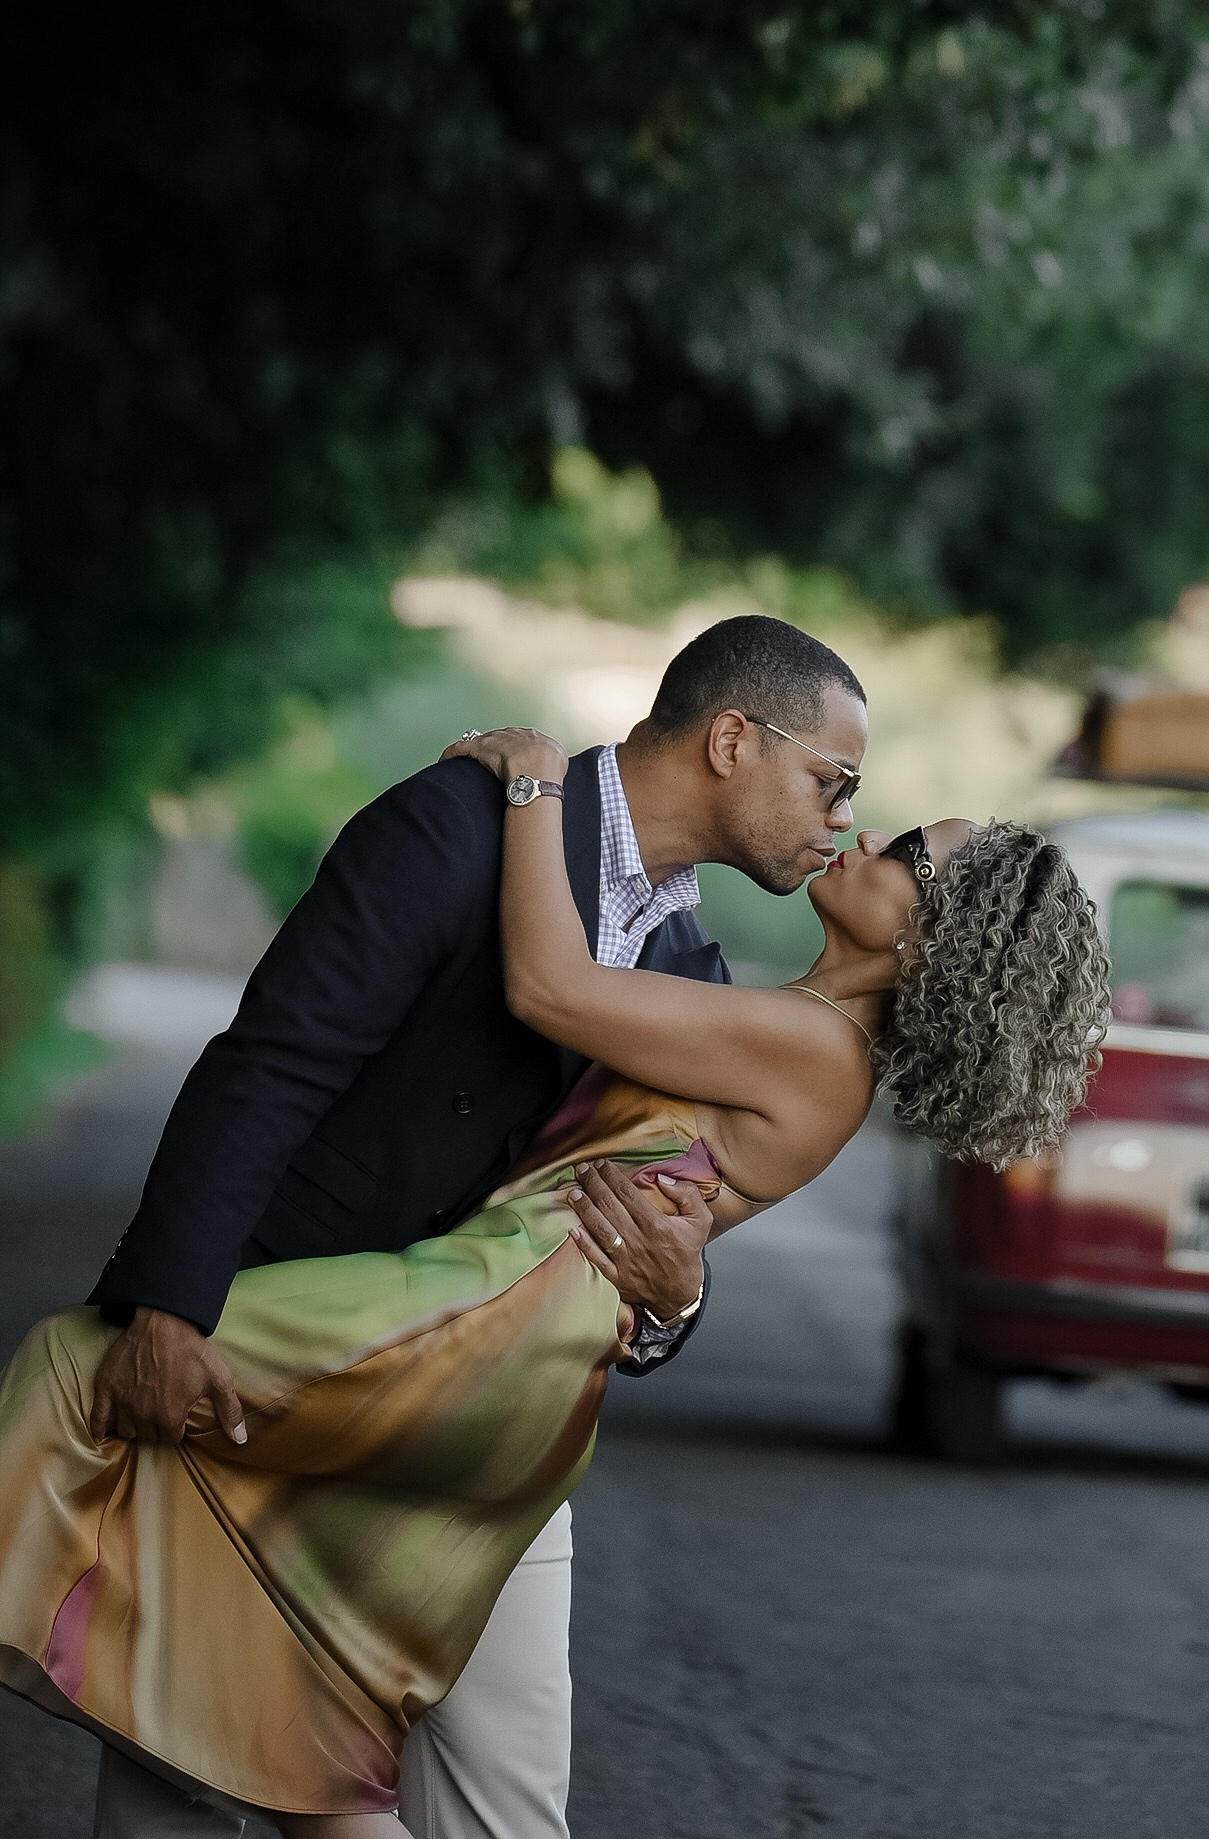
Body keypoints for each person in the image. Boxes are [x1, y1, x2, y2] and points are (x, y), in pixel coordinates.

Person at [0, 708, 1110, 1839]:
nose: (861, 831)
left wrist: (533, 784)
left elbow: (549, 988)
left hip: (483, 1331)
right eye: (842, 790)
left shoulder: (814, 1049)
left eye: (906, 852)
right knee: (278, 1712)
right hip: (500, 1335)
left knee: (81, 1369)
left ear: (933, 941)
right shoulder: (771, 1014)